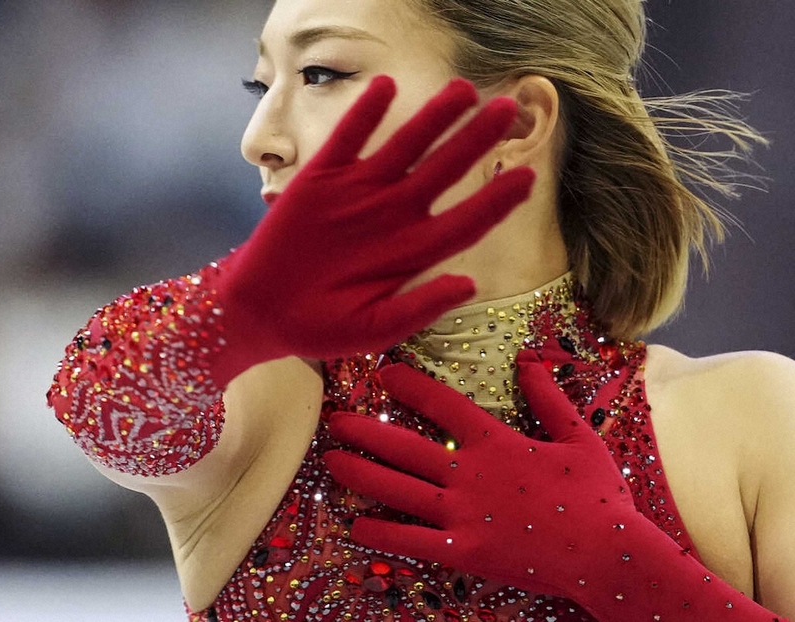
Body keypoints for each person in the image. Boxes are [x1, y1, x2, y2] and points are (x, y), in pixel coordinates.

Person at [47, 0, 795, 620]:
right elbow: (103, 403)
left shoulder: (747, 420)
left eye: (321, 73)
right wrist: (233, 316)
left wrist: (627, 572)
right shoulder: (275, 407)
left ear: (516, 120)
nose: (259, 140)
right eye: (260, 86)